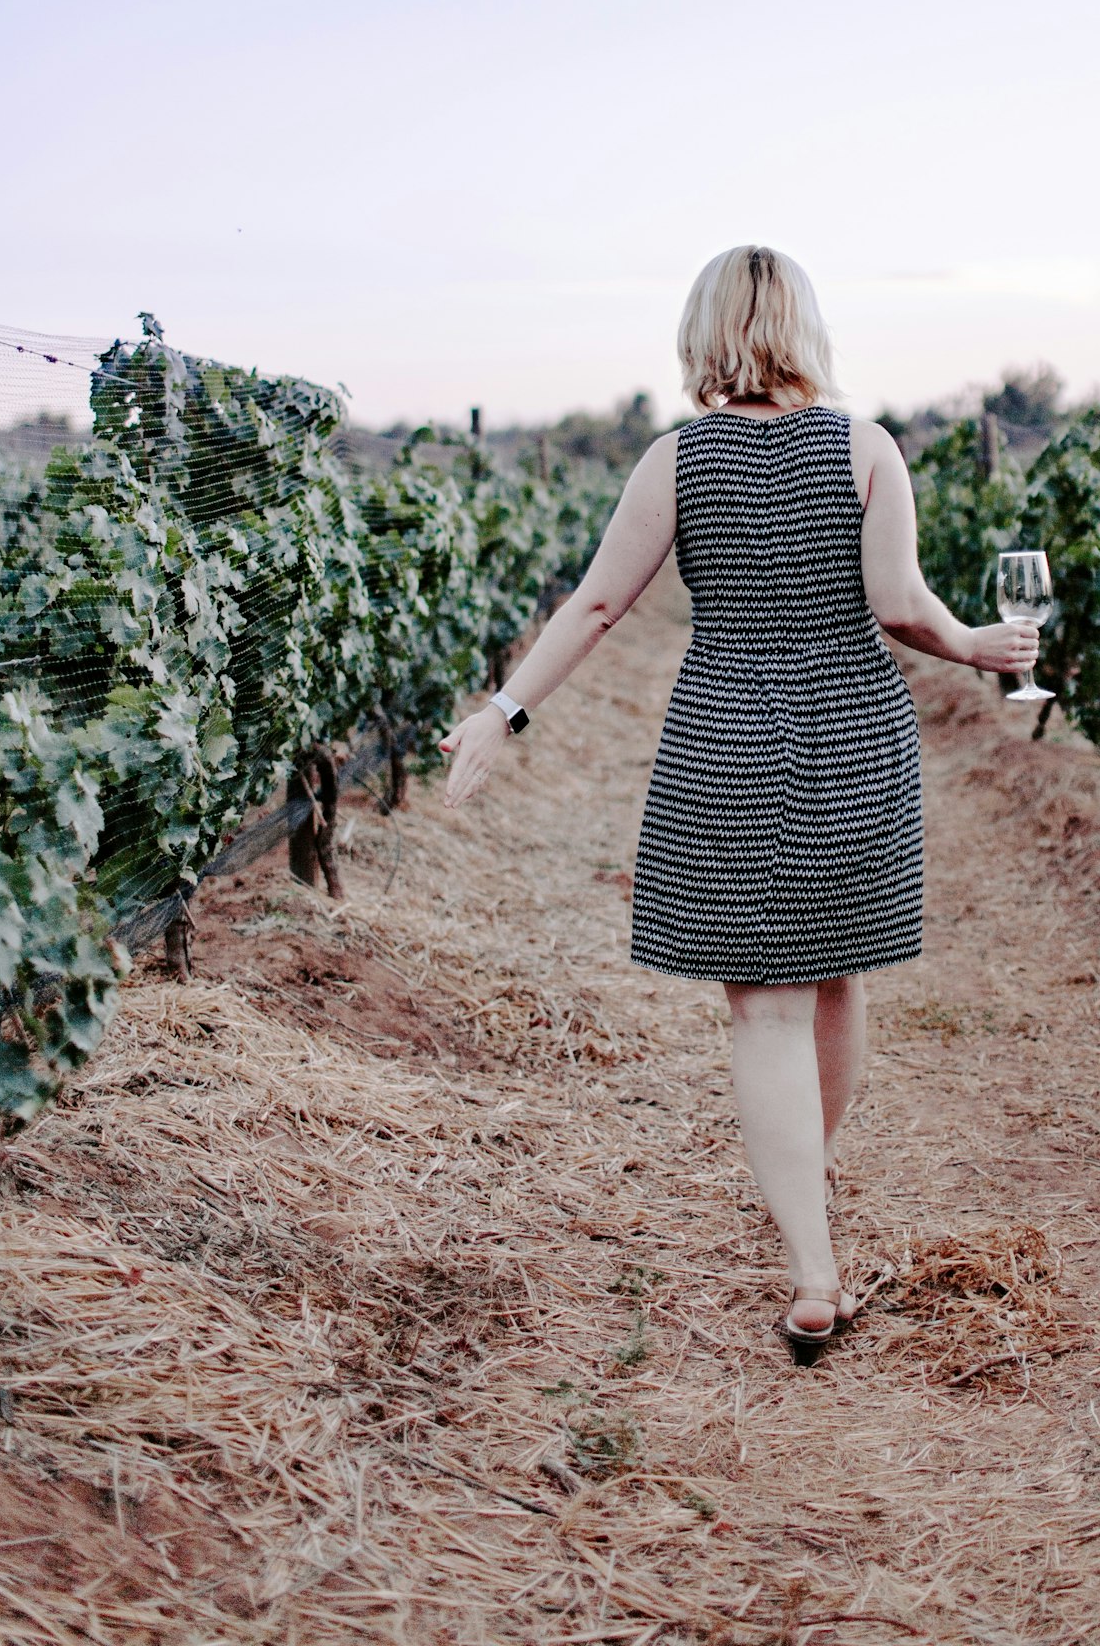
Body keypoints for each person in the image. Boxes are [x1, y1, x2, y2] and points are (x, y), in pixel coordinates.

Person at [439, 246, 1038, 1361]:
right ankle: (802, 1193)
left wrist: (501, 713)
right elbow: (898, 605)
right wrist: (975, 647)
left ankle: (812, 1266)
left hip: (725, 739)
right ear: (805, 330)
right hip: (854, 733)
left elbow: (600, 604)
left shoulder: (674, 462)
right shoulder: (866, 448)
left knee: (763, 1008)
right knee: (837, 972)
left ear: (703, 332)